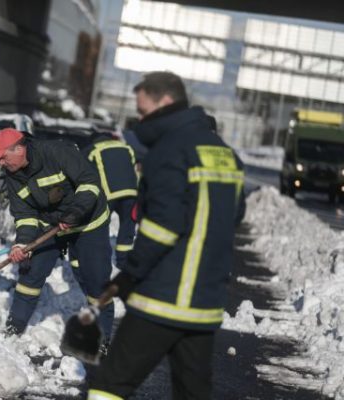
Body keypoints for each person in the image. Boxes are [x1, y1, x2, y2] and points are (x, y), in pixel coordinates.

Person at [88, 71, 246, 400]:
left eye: (143, 112)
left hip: (164, 297)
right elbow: (235, 215)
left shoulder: (170, 150)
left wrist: (130, 274)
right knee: (193, 393)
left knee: (108, 387)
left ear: (166, 102)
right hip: (205, 304)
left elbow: (164, 225)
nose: (141, 120)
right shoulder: (226, 156)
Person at [0, 128, 115, 342]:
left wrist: (76, 212)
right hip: (51, 226)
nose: (1, 163)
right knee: (30, 274)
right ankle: (13, 329)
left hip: (88, 223)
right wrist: (22, 244)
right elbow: (25, 214)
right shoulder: (13, 176)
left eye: (3, 157)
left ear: (19, 149)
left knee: (96, 283)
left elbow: (90, 182)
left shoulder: (57, 152)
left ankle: (102, 341)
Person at [82, 131, 138, 269]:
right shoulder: (127, 147)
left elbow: (82, 171)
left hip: (108, 195)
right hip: (131, 193)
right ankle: (123, 262)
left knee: (98, 228)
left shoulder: (92, 150)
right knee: (127, 228)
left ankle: (98, 260)